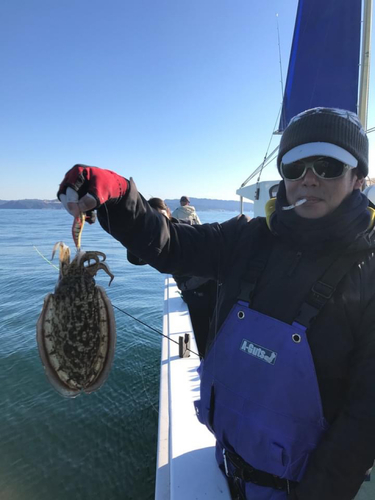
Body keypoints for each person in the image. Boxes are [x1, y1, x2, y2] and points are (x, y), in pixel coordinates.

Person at [57, 107, 375, 500]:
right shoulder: (248, 239)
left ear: (358, 178)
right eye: (295, 166)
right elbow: (172, 244)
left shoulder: (367, 272)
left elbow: (364, 420)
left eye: (328, 165)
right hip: (223, 469)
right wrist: (120, 197)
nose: (309, 178)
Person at [127, 197, 216, 357]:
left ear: (168, 212)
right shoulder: (155, 239)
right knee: (201, 338)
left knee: (220, 332)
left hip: (212, 284)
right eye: (155, 217)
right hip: (192, 291)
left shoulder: (182, 228)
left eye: (162, 215)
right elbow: (135, 259)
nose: (161, 220)